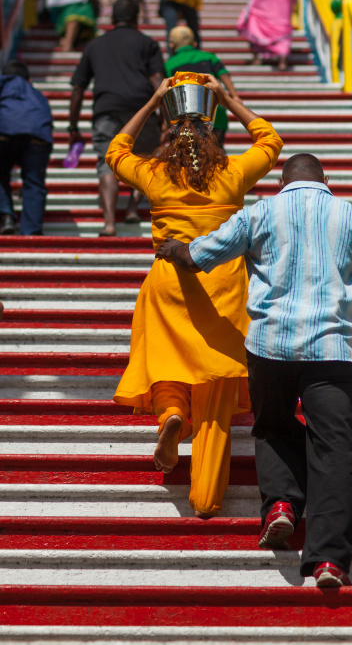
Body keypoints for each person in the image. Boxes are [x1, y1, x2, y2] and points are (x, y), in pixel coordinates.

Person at [156, 153, 352, 586]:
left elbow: (200, 256)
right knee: (333, 452)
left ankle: (282, 505)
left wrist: (176, 248)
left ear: (282, 181)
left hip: (270, 347)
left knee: (271, 426)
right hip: (332, 351)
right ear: (326, 178)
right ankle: (328, 561)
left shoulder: (260, 212)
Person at [104, 72, 283, 518]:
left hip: (170, 284)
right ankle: (206, 497)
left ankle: (169, 414)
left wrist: (152, 100)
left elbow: (114, 151)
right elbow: (270, 141)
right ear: (213, 137)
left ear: (169, 137)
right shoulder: (231, 175)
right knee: (216, 391)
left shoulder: (155, 175)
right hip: (223, 286)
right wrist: (228, 97)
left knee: (166, 360)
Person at [70, 0, 165, 236]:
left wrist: (73, 127)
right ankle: (133, 208)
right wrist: (167, 116)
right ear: (136, 19)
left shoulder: (95, 45)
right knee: (144, 161)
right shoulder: (148, 43)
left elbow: (78, 88)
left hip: (106, 110)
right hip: (141, 111)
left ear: (112, 18)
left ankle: (110, 222)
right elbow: (157, 80)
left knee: (106, 164)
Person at [165, 25, 242, 147]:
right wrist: (235, 96)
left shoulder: (170, 64)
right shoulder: (209, 57)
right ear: (194, 44)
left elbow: (168, 91)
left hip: (187, 116)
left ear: (171, 45)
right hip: (215, 111)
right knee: (217, 149)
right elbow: (223, 74)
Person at [0, 61, 53, 236]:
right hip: (38, 137)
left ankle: (6, 215)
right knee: (34, 183)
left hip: (5, 131)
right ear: (29, 79)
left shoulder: (3, 83)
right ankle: (31, 231)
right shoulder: (37, 94)